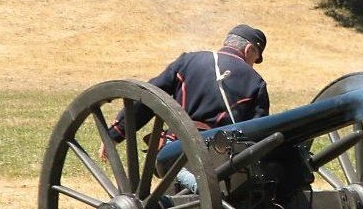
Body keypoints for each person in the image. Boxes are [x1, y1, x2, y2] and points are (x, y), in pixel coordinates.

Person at [99, 24, 270, 193]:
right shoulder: (256, 82)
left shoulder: (188, 61)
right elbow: (256, 132)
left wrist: (115, 134)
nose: (252, 65)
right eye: (255, 59)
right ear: (248, 50)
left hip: (177, 149)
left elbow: (148, 100)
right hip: (222, 158)